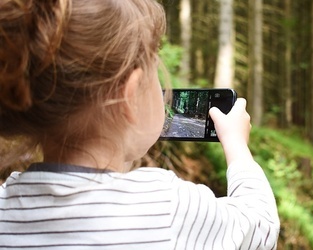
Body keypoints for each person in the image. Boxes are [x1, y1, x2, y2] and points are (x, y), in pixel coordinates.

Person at [0, 0, 280, 249]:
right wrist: (236, 145)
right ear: (130, 96)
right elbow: (260, 224)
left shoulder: (5, 207)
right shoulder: (168, 207)